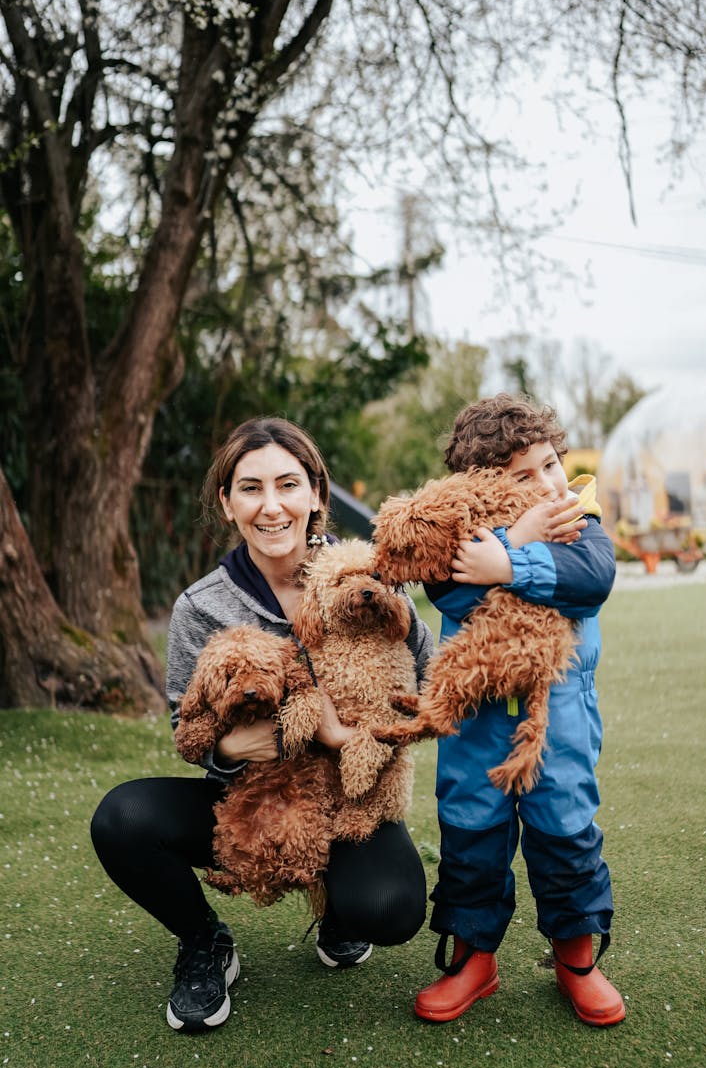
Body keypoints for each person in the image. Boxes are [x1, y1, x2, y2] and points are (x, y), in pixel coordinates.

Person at [91, 417, 433, 1033]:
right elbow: (186, 718)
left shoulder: (367, 574)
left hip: (352, 792)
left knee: (390, 908)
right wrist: (231, 749)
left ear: (316, 495)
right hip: (250, 794)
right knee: (122, 820)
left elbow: (427, 676)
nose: (271, 506)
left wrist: (348, 738)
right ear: (227, 503)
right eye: (251, 488)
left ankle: (340, 907)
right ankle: (205, 943)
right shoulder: (201, 607)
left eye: (288, 484)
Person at [412, 392, 625, 1027]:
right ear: (480, 484)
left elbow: (592, 579)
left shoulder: (578, 519)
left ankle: (576, 958)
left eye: (550, 465)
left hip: (557, 716)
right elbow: (446, 589)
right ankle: (474, 958)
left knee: (566, 829)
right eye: (521, 475)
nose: (546, 483)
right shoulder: (461, 533)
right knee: (471, 832)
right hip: (477, 717)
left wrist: (509, 558)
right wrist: (510, 536)